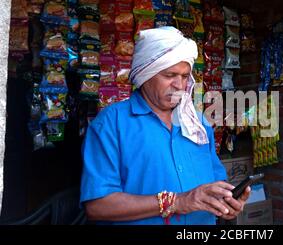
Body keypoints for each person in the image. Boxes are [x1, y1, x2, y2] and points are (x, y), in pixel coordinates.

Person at [80, 27, 250, 225]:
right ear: (146, 74)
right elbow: (97, 206)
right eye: (170, 75)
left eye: (185, 76)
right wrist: (177, 202)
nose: (180, 85)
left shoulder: (198, 123)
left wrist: (225, 205)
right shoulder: (111, 124)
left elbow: (216, 184)